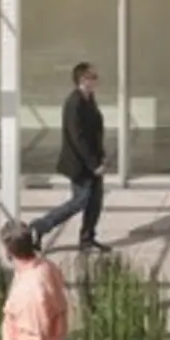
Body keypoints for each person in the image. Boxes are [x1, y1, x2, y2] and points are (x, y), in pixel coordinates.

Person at [32, 62, 108, 253]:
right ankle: (41, 226)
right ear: (83, 79)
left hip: (94, 161)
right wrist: (93, 164)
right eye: (93, 77)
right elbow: (78, 138)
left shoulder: (89, 99)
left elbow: (95, 132)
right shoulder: (74, 103)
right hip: (80, 164)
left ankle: (87, 238)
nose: (96, 80)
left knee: (95, 201)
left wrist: (102, 157)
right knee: (80, 200)